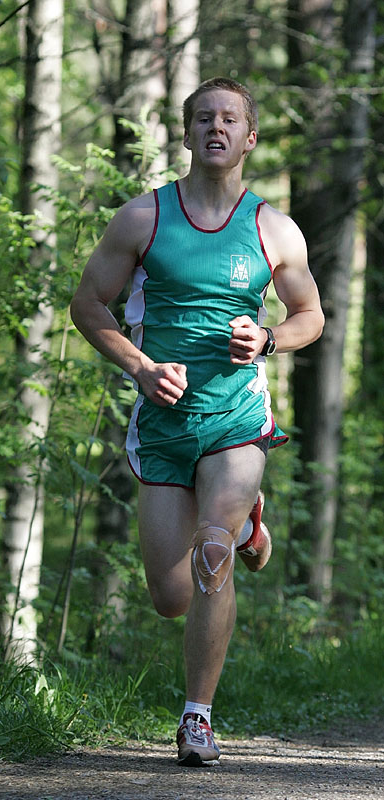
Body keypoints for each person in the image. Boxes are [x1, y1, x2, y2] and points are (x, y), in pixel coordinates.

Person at [70, 76, 324, 767]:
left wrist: (268, 338)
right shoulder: (142, 219)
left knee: (211, 553)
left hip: (236, 417)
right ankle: (246, 527)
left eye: (229, 118)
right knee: (170, 597)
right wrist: (140, 367)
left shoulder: (273, 228)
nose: (216, 127)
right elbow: (88, 304)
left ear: (250, 138)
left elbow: (310, 315)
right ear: (185, 135)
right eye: (203, 118)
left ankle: (197, 717)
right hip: (163, 425)